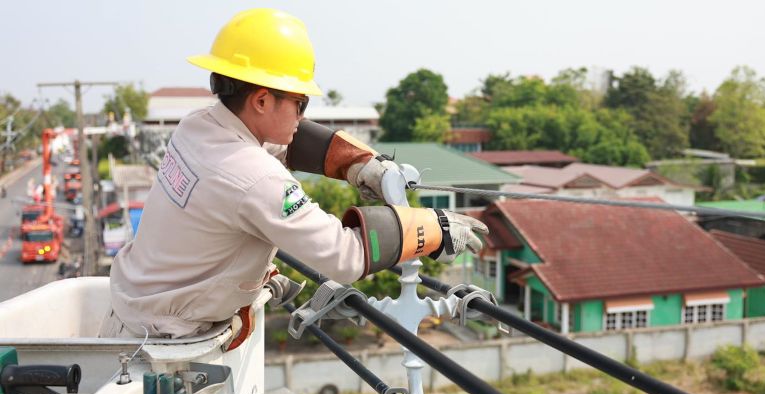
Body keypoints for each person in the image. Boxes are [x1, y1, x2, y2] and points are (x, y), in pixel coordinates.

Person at [103, 8, 488, 341]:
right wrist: (432, 228)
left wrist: (358, 163)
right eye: (300, 102)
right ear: (261, 100)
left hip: (133, 305)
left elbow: (278, 145)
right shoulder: (255, 178)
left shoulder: (198, 127)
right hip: (165, 340)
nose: (303, 115)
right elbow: (345, 257)